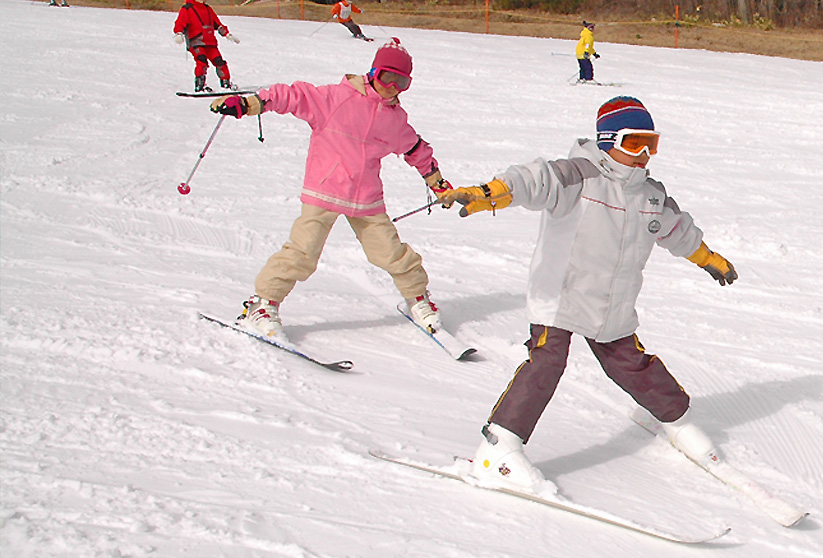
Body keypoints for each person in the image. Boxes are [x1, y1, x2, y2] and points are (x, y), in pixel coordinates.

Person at [438, 96, 738, 493]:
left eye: (652, 143)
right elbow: (533, 180)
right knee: (546, 364)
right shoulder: (576, 176)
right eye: (634, 144)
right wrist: (489, 193)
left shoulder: (650, 196)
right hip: (561, 297)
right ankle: (499, 448)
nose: (644, 154)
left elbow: (675, 229)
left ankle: (676, 421)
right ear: (608, 140)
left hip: (611, 304)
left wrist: (707, 257)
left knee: (632, 365)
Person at [208, 38, 453, 339]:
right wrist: (249, 103)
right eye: (388, 77)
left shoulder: (395, 119)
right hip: (323, 190)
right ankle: (262, 305)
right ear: (374, 72)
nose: (393, 87)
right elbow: (293, 96)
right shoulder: (337, 98)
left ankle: (417, 299)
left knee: (392, 253)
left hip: (366, 200)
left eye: (402, 82)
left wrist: (437, 182)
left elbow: (415, 148)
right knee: (302, 252)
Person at [173, 0, 240, 93]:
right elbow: (180, 22)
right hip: (196, 42)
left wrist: (227, 34)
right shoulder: (187, 9)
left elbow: (217, 24)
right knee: (202, 62)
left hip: (210, 43)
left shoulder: (207, 9)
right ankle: (200, 86)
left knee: (220, 62)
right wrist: (178, 33)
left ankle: (226, 83)